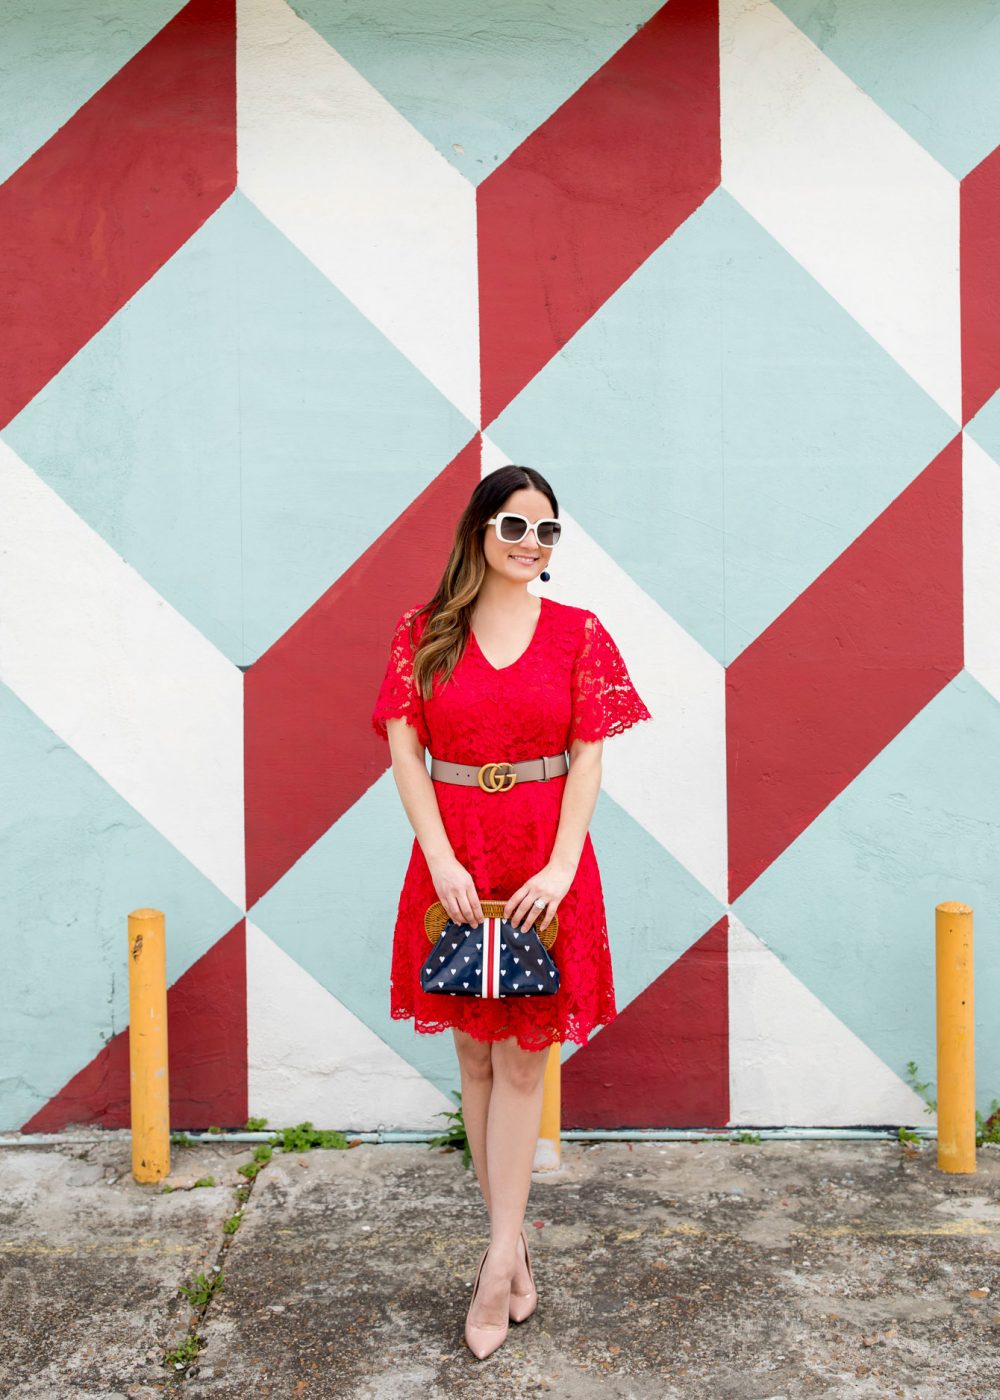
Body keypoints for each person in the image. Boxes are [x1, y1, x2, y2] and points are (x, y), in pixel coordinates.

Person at [370, 464, 652, 1359]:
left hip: (540, 864)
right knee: (475, 1058)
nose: (532, 545)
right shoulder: (424, 633)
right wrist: (442, 856)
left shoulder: (578, 634)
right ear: (480, 531)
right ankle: (513, 1245)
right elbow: (405, 752)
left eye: (548, 532)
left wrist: (565, 865)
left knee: (525, 1061)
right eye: (516, 526)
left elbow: (589, 756)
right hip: (456, 861)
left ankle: (495, 1264)